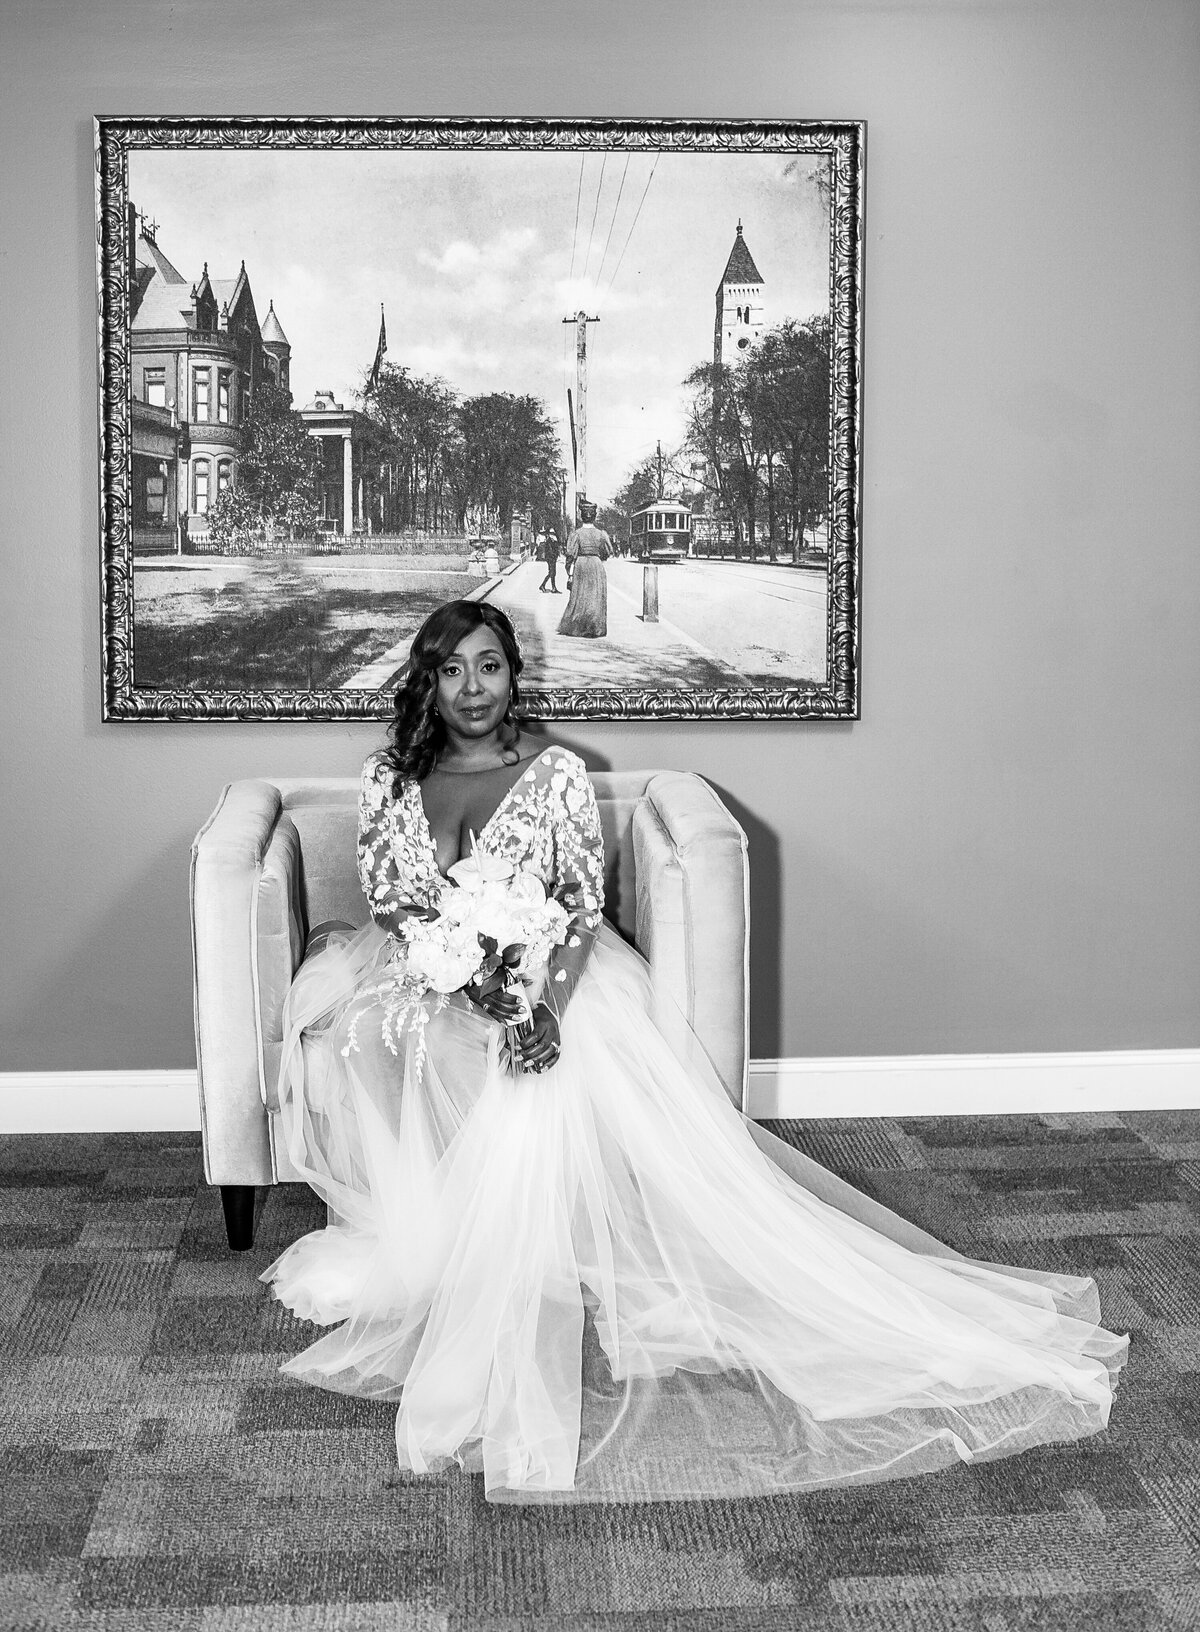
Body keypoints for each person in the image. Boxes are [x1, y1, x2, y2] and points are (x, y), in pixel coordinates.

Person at [263, 601, 1127, 1503]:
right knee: (375, 1033)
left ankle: (522, 1248)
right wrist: (461, 976)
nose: (472, 688)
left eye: (489, 666)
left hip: (548, 968)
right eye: (451, 670)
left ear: (515, 674)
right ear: (428, 681)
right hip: (420, 965)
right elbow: (392, 899)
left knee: (533, 1064)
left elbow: (577, 904)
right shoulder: (390, 775)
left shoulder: (555, 773)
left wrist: (540, 1002)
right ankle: (428, 1239)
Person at [558, 500, 613, 637]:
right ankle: (594, 627)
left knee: (579, 595)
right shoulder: (601, 534)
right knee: (595, 596)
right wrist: (598, 557)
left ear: (581, 516)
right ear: (594, 516)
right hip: (596, 564)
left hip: (581, 564)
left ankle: (578, 626)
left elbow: (570, 555)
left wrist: (569, 572)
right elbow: (607, 552)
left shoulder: (576, 534)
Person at [538, 527, 561, 593]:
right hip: (550, 559)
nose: (552, 534)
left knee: (552, 573)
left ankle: (550, 587)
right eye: (551, 533)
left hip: (553, 559)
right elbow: (550, 551)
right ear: (549, 534)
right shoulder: (549, 541)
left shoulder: (553, 540)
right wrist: (554, 556)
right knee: (551, 573)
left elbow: (557, 548)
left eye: (553, 533)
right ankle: (546, 586)